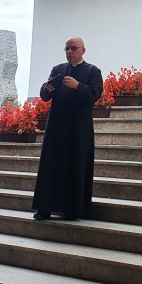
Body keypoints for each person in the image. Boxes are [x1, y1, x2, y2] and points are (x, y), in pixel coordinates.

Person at [32, 36, 102, 221]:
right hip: (56, 126)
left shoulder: (93, 71)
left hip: (79, 128)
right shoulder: (58, 70)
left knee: (75, 166)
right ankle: (44, 208)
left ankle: (72, 209)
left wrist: (78, 86)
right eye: (67, 49)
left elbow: (95, 94)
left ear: (83, 51)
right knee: (50, 166)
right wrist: (46, 89)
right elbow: (44, 95)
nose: (70, 52)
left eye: (74, 48)